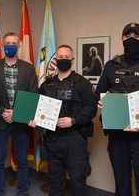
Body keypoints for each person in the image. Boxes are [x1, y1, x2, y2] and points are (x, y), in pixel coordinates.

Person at [29, 45, 97, 196]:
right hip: (53, 138)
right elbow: (38, 107)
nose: (63, 60)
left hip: (75, 138)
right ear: (55, 59)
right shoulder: (47, 85)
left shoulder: (82, 83)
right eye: (60, 57)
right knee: (55, 179)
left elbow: (91, 107)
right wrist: (34, 119)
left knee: (77, 180)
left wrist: (73, 120)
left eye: (67, 57)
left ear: (72, 60)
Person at [96, 22, 139, 196]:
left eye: (136, 36)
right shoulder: (111, 66)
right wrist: (101, 103)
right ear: (122, 38)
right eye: (128, 36)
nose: (132, 39)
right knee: (121, 183)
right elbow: (99, 94)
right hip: (118, 134)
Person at [0, 32, 38, 196]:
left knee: (22, 161)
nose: (10, 46)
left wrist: (16, 112)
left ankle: (22, 192)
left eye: (14, 43)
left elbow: (33, 94)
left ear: (19, 45)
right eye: (7, 43)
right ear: (2, 45)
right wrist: (3, 112)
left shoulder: (28, 68)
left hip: (21, 121)